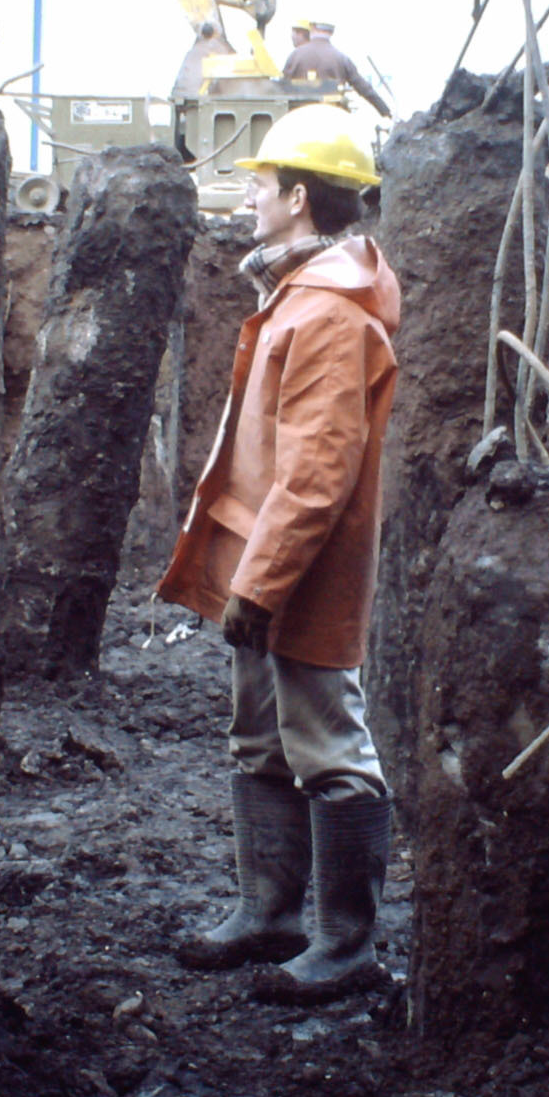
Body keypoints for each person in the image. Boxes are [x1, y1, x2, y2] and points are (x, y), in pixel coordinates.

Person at [158, 103, 401, 1003]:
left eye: (260, 186)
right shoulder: (295, 295)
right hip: (269, 572)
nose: (248, 201)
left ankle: (346, 947)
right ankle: (270, 917)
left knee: (329, 748)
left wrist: (258, 585)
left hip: (298, 577)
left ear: (299, 198)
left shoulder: (331, 315)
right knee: (260, 740)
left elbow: (317, 473)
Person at [281, 18, 369, 93]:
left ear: (312, 28)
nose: (293, 36)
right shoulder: (342, 58)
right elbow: (365, 89)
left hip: (300, 110)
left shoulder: (295, 56)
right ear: (332, 32)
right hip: (332, 110)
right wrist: (383, 110)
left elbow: (281, 87)